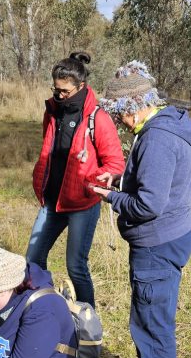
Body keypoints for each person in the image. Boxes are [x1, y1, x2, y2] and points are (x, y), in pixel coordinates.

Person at [92, 63, 191, 358]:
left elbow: (149, 204)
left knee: (153, 323)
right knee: (145, 316)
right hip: (166, 238)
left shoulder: (157, 139)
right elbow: (152, 179)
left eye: (119, 113)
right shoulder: (162, 129)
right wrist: (121, 177)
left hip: (158, 243)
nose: (119, 121)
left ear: (133, 106)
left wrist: (111, 196)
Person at [27, 51, 125, 307]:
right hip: (52, 201)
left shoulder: (98, 119)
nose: (59, 96)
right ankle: (46, 311)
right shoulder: (52, 111)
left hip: (82, 204)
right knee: (33, 259)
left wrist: (92, 183)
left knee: (76, 266)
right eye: (56, 89)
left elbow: (115, 164)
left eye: (65, 92)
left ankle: (87, 320)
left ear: (81, 86)